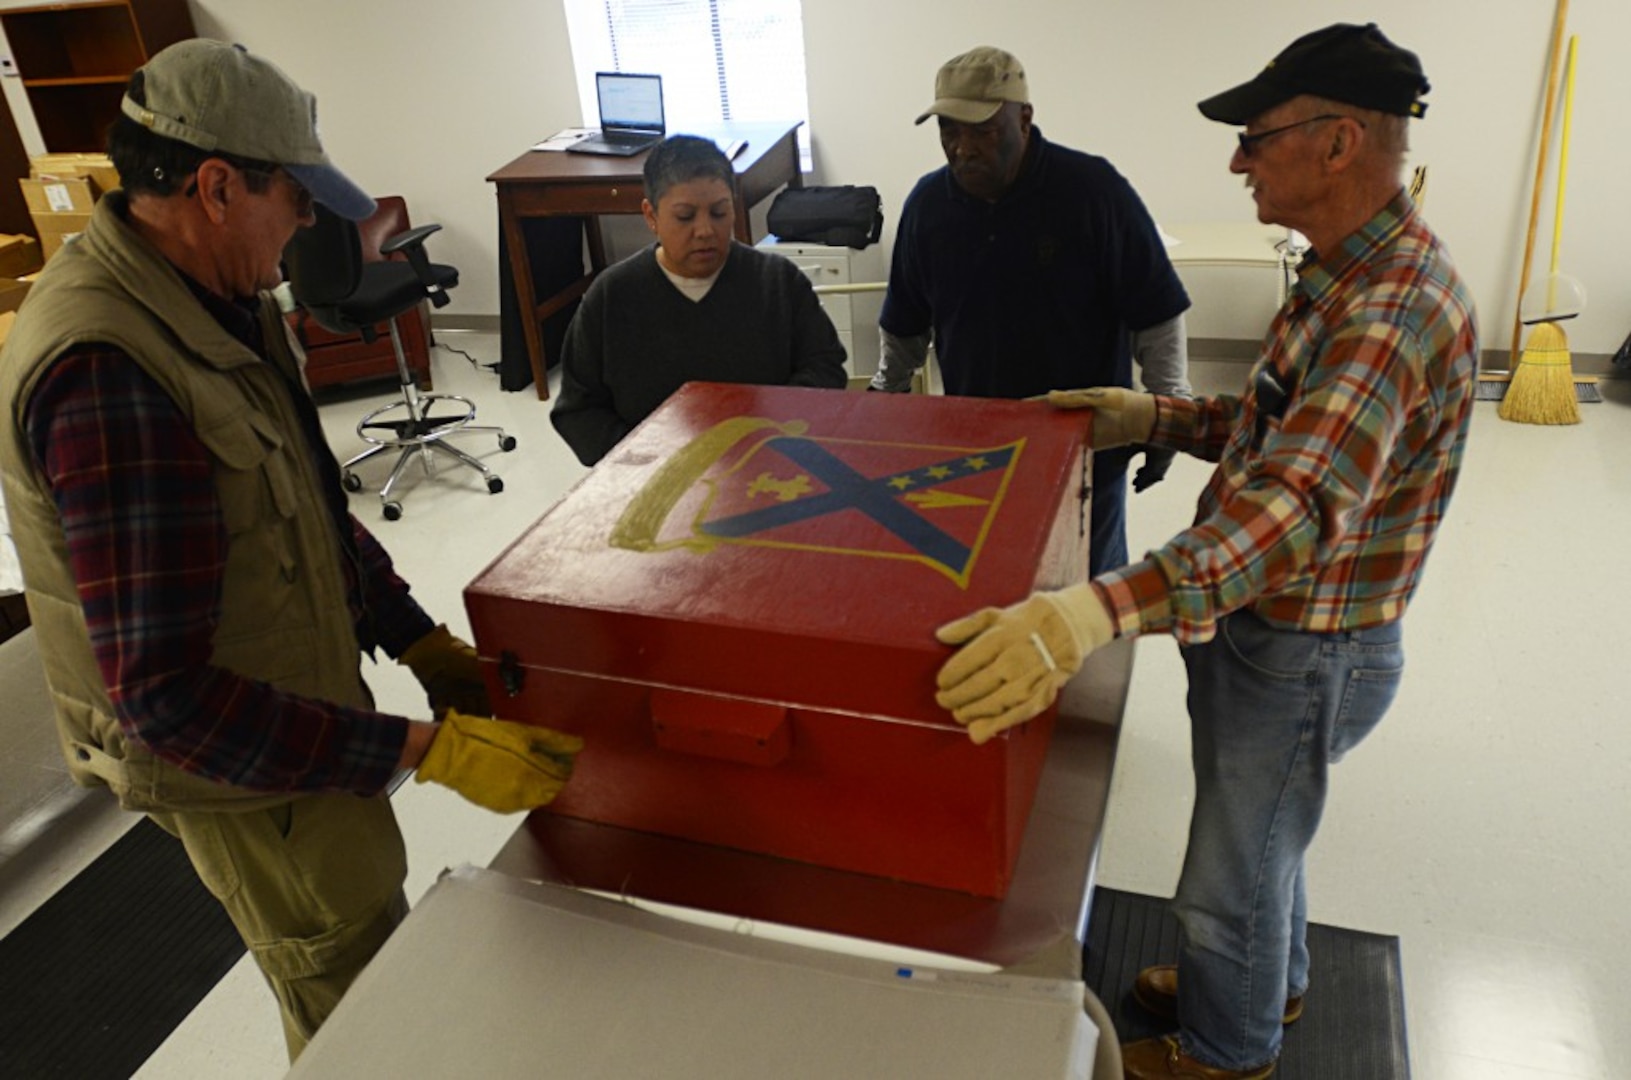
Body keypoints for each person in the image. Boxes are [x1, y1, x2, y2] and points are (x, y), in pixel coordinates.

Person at [0, 40, 582, 1061]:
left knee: (375, 937)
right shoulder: (108, 375)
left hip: (294, 698)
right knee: (351, 995)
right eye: (299, 199)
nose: (311, 224)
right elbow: (169, 702)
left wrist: (417, 642)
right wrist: (426, 753)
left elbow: (307, 504)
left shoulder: (216, 299)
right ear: (218, 187)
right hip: (236, 767)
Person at [932, 24, 1476, 1080]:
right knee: (1266, 835)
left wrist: (1084, 611)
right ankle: (1265, 981)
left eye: (1254, 138)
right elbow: (1284, 427)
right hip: (1277, 629)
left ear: (1336, 142)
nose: (1235, 161)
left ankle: (1228, 1051)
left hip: (1303, 644)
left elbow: (1294, 507)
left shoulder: (1387, 307)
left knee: (1230, 872)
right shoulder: (1342, 272)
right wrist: (1159, 418)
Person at [872, 46, 1193, 575]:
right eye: (949, 130)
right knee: (988, 582)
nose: (962, 148)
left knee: (1086, 590)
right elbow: (905, 323)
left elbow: (1155, 314)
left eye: (982, 130)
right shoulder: (928, 206)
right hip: (974, 451)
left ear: (1024, 117)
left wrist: (1170, 416)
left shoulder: (1093, 192)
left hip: (1085, 450)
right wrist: (884, 399)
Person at [551, 134, 847, 465]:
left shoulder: (777, 281)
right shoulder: (611, 297)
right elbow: (578, 411)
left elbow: (825, 368)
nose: (705, 230)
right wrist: (646, 458)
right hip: (654, 478)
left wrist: (770, 432)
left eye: (719, 213)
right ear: (651, 216)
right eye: (685, 216)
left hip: (766, 462)